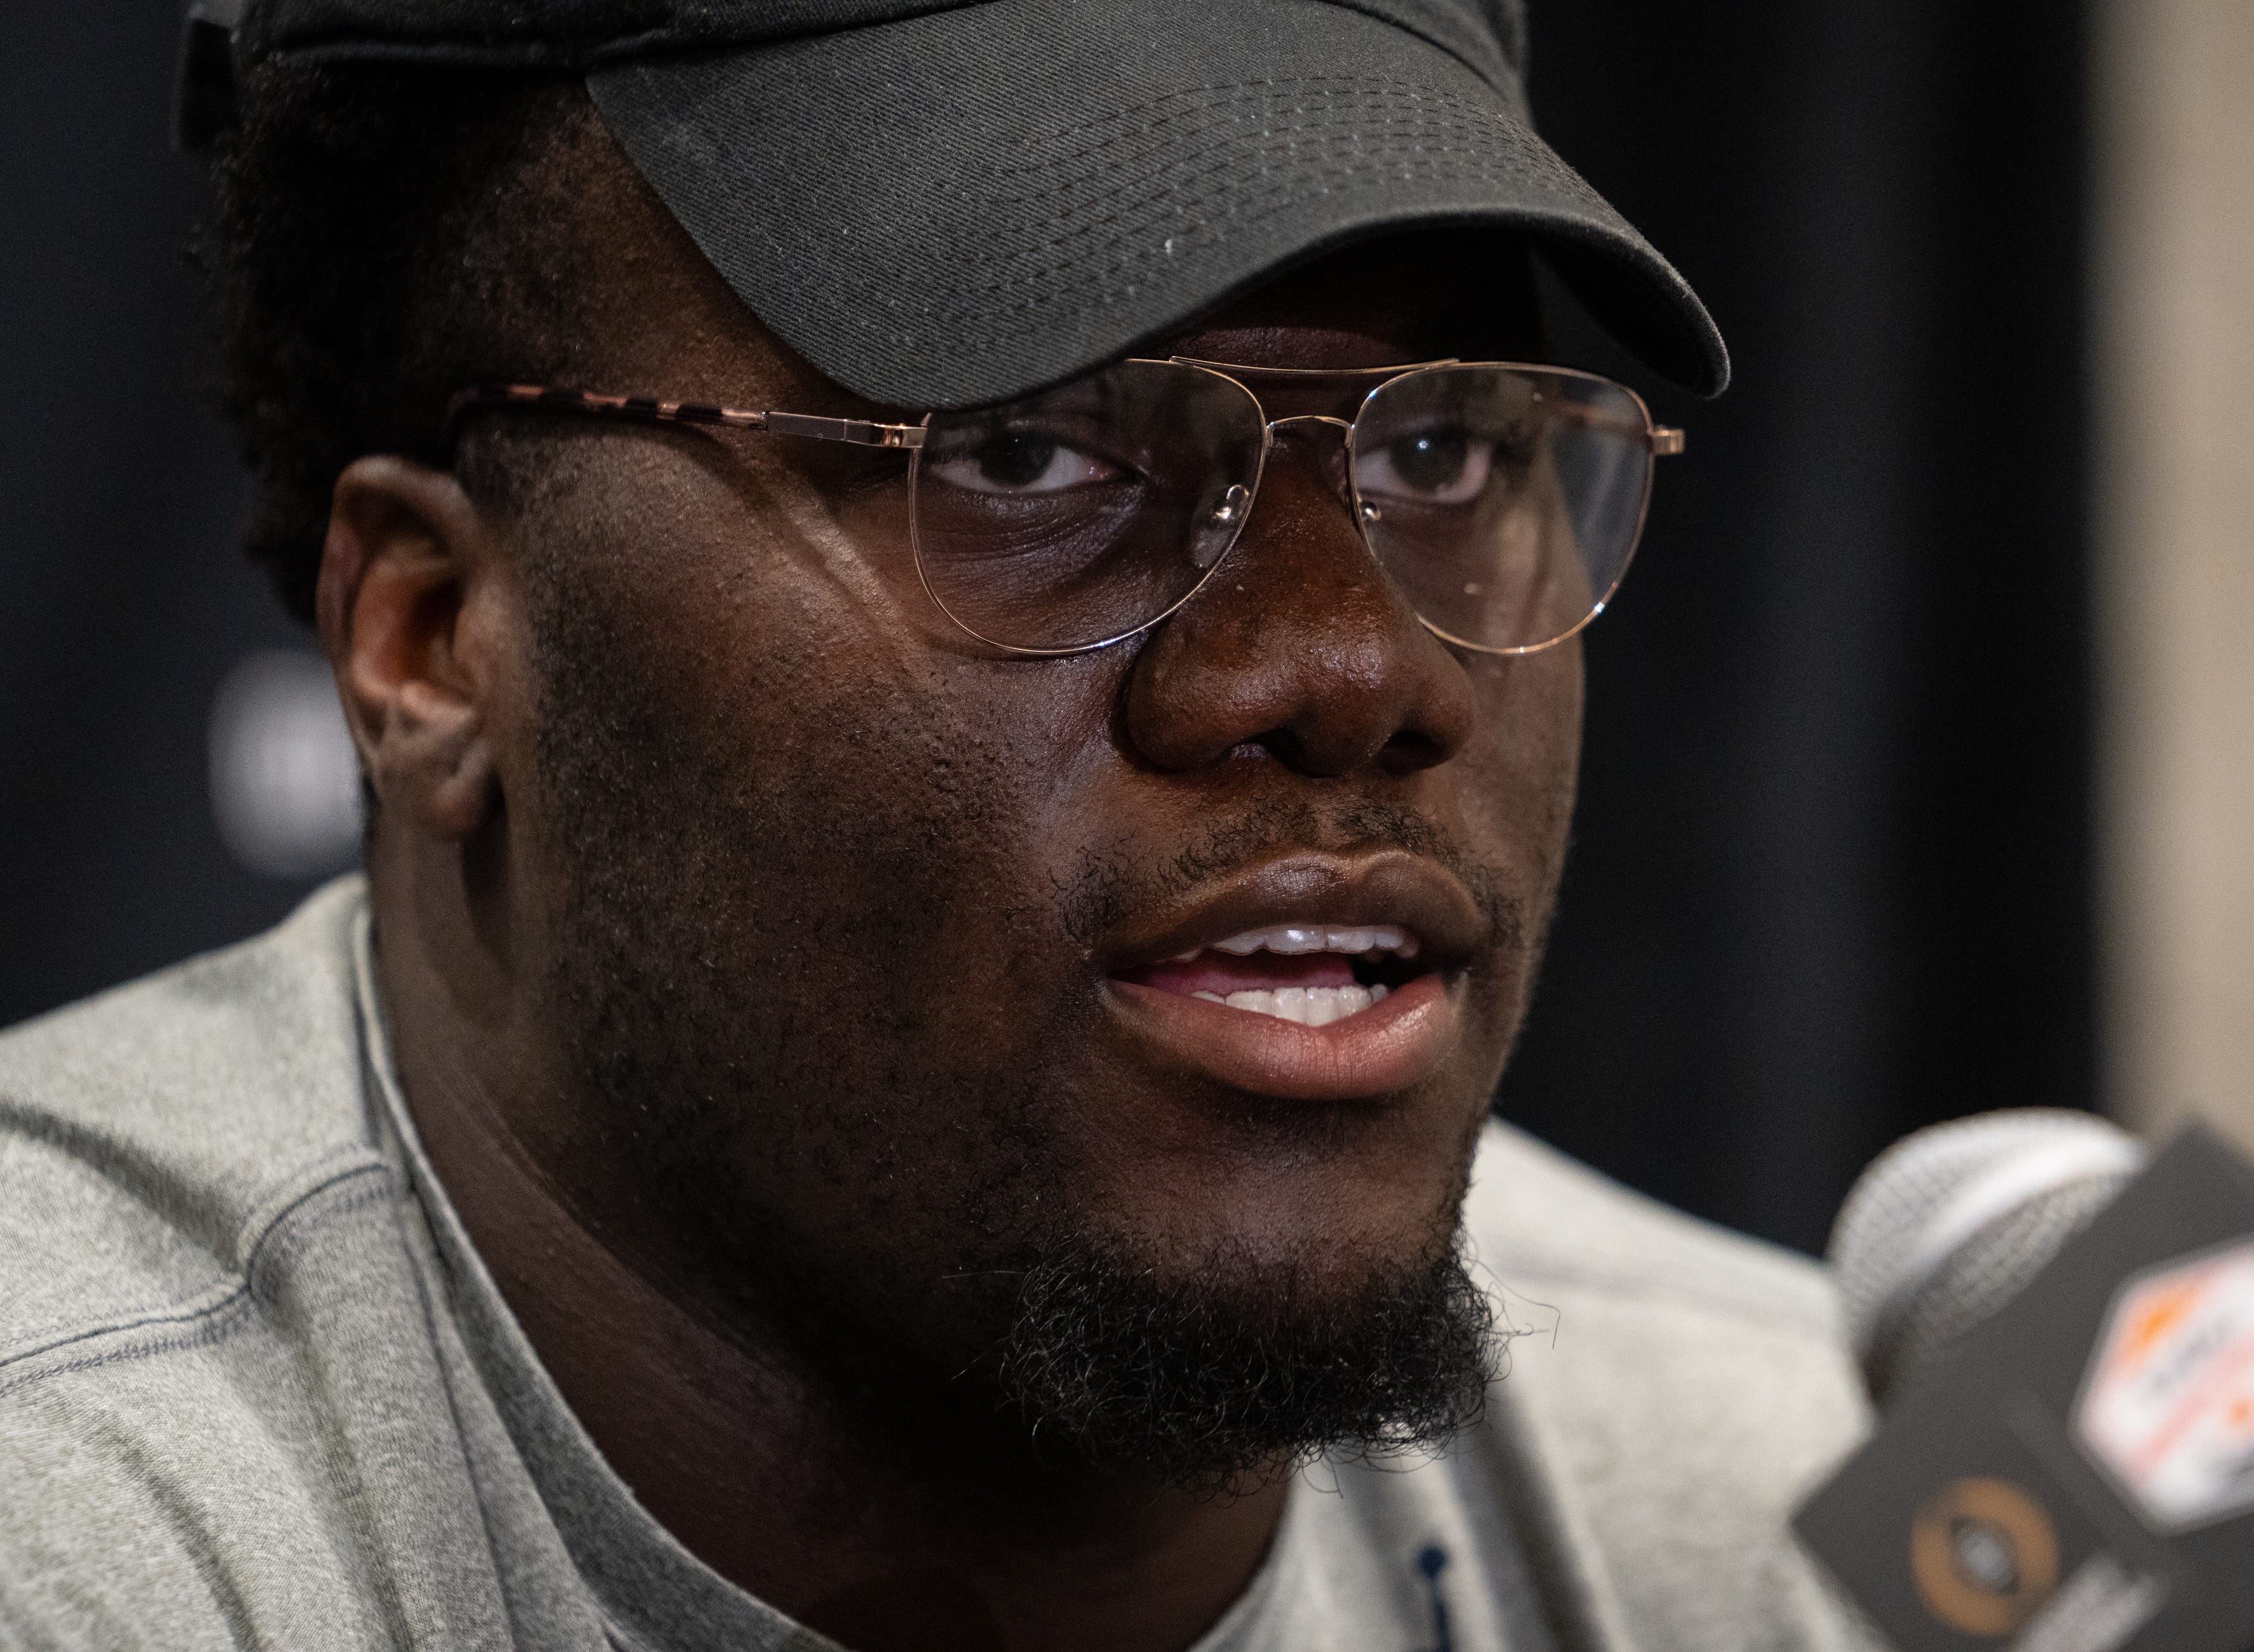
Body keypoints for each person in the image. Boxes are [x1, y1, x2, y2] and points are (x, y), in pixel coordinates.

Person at [0, 2, 1866, 1647]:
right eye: (1024, 453)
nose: (1349, 665)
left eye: (1440, 450)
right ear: (433, 640)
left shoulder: (1809, 1528)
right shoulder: (70, 1534)